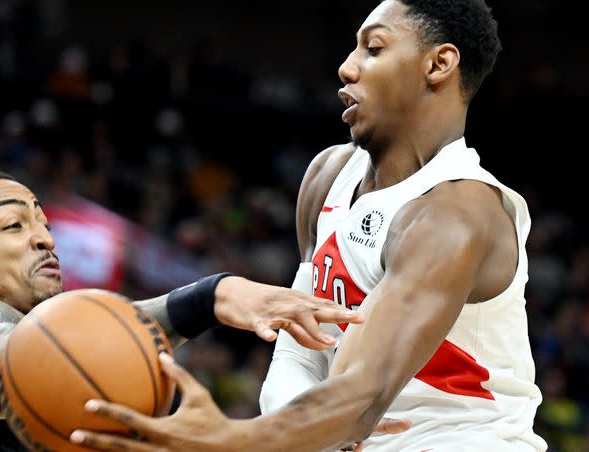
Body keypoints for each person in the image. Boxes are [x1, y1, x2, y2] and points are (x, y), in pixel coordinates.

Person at [69, 0, 546, 451]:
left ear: (439, 64)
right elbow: (300, 352)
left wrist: (232, 439)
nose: (347, 66)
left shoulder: (457, 213)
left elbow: (359, 398)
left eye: (373, 48)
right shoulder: (328, 176)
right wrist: (304, 432)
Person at [0, 169, 364, 451]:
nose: (44, 237)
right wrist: (211, 298)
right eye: (13, 225)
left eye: (43, 222)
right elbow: (24, 349)